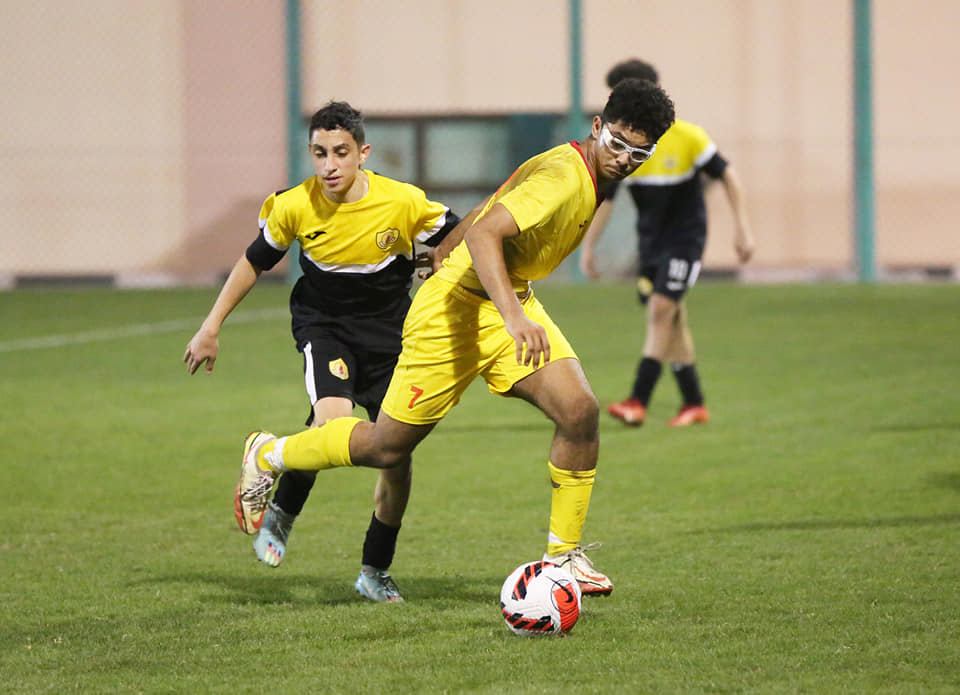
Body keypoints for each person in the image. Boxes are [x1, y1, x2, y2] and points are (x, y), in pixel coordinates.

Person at [232, 78, 676, 598]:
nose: (624, 158)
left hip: (504, 298)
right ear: (597, 127)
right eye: (617, 143)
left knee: (579, 411)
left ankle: (563, 558)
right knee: (385, 447)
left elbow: (494, 205)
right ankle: (270, 453)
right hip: (454, 311)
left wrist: (450, 247)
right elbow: (489, 233)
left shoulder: (583, 171)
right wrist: (512, 317)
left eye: (639, 152)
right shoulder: (565, 175)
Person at [184, 101, 466, 602]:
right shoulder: (295, 205)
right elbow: (253, 262)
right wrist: (211, 326)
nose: (329, 165)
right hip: (326, 327)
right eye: (319, 153)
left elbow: (463, 236)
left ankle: (374, 570)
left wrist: (438, 258)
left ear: (363, 153)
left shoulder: (402, 202)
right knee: (333, 424)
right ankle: (282, 513)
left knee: (395, 457)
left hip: (392, 337)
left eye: (340, 152)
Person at [580, 59, 756, 428]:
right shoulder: (624, 147)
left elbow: (728, 176)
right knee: (672, 319)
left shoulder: (688, 137)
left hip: (684, 242)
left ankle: (637, 400)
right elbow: (607, 200)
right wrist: (588, 246)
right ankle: (694, 402)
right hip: (650, 245)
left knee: (661, 310)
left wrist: (742, 229)